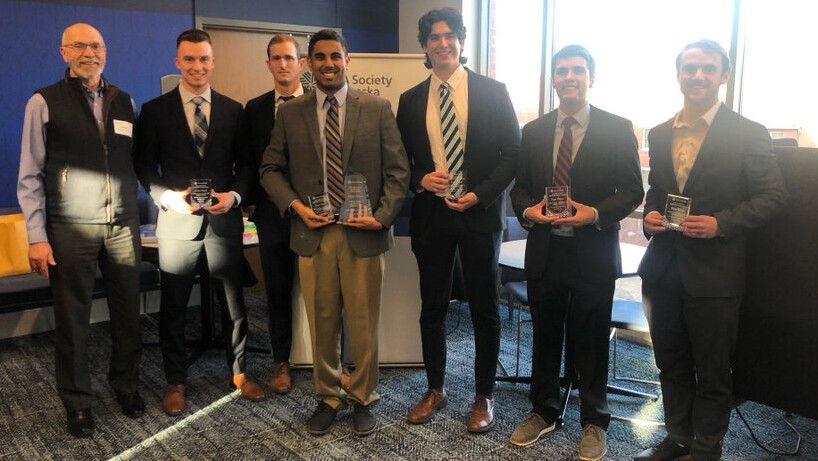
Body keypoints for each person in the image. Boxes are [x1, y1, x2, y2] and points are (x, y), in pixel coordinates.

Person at [634, 40, 787, 461]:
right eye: (689, 68)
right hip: (663, 269)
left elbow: (773, 196)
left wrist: (722, 223)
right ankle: (677, 438)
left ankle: (706, 447)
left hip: (716, 273)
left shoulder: (748, 132)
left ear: (723, 75)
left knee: (714, 370)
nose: (697, 75)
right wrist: (650, 215)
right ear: (678, 74)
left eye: (707, 68)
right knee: (670, 363)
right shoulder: (660, 132)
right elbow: (658, 191)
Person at [259, 29, 409, 437]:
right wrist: (296, 207)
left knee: (363, 322)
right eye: (319, 57)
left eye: (335, 56)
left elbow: (399, 171)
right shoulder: (291, 113)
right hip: (314, 233)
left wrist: (382, 216)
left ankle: (363, 397)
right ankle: (327, 396)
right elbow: (269, 169)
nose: (328, 63)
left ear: (347, 61)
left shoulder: (377, 108)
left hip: (364, 233)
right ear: (309, 63)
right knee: (321, 321)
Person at [509, 44, 644, 460]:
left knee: (591, 340)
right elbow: (521, 191)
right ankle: (543, 411)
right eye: (562, 71)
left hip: (593, 252)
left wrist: (596, 213)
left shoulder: (618, 127)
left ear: (591, 78)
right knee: (545, 335)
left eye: (578, 71)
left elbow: (633, 191)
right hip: (547, 251)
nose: (569, 77)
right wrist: (528, 211)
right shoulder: (532, 132)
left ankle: (594, 420)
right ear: (553, 79)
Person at [17, 23, 144, 437]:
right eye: (80, 46)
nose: (89, 53)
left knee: (129, 312)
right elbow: (30, 175)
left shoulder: (125, 101)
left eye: (97, 46)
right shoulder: (44, 101)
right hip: (70, 228)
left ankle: (125, 385)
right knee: (73, 320)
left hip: (123, 224)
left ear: (105, 52)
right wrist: (36, 236)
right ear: (63, 52)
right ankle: (77, 403)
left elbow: (135, 164)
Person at [396, 7, 519, 433]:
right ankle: (435, 388)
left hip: (478, 214)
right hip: (431, 215)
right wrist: (419, 178)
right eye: (434, 37)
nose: (442, 43)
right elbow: (401, 161)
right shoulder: (410, 100)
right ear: (425, 46)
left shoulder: (493, 91)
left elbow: (513, 156)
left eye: (450, 36)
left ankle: (483, 395)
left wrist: (480, 194)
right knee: (432, 306)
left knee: (485, 306)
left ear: (462, 42)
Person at [134, 28, 263, 417]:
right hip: (177, 222)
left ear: (213, 61)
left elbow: (248, 166)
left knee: (234, 303)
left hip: (224, 221)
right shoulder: (155, 111)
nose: (197, 66)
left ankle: (239, 372)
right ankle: (176, 380)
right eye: (189, 59)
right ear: (177, 62)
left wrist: (235, 197)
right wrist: (167, 197)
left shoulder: (233, 110)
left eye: (204, 58)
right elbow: (143, 165)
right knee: (173, 303)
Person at [244, 34, 305, 394]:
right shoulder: (253, 109)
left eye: (289, 58)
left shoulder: (318, 104)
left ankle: (325, 360)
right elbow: (250, 161)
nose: (283, 64)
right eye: (276, 58)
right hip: (271, 215)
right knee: (278, 291)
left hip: (314, 215)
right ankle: (280, 360)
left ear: (301, 64)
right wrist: (251, 203)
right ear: (268, 64)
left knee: (322, 294)